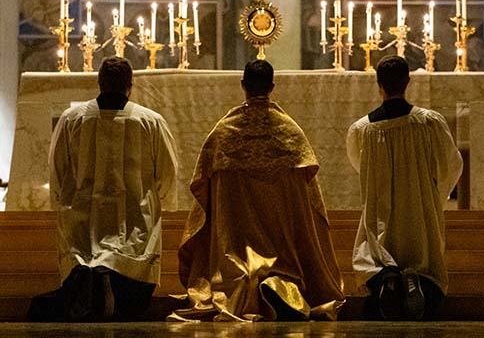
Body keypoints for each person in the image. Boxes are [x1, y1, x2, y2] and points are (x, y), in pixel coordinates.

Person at [169, 59, 345, 322]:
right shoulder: (290, 133)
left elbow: (202, 185)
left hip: (237, 241)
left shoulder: (225, 132)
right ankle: (281, 283)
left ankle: (247, 285)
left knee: (237, 257)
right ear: (272, 87)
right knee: (283, 260)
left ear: (243, 85)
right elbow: (308, 197)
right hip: (281, 236)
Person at [29, 56, 178, 322]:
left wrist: (62, 203)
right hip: (135, 221)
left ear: (99, 83)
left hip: (82, 222)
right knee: (131, 286)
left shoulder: (72, 118)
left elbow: (58, 168)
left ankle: (90, 283)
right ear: (130, 85)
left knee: (83, 260)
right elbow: (167, 173)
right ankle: (110, 290)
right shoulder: (150, 121)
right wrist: (161, 200)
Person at [346, 55, 463, 321]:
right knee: (425, 261)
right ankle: (416, 279)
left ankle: (387, 277)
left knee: (372, 255)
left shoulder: (362, 129)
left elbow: (359, 165)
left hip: (380, 211)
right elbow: (451, 164)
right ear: (408, 81)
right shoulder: (429, 122)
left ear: (378, 84)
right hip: (419, 208)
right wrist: (435, 193)